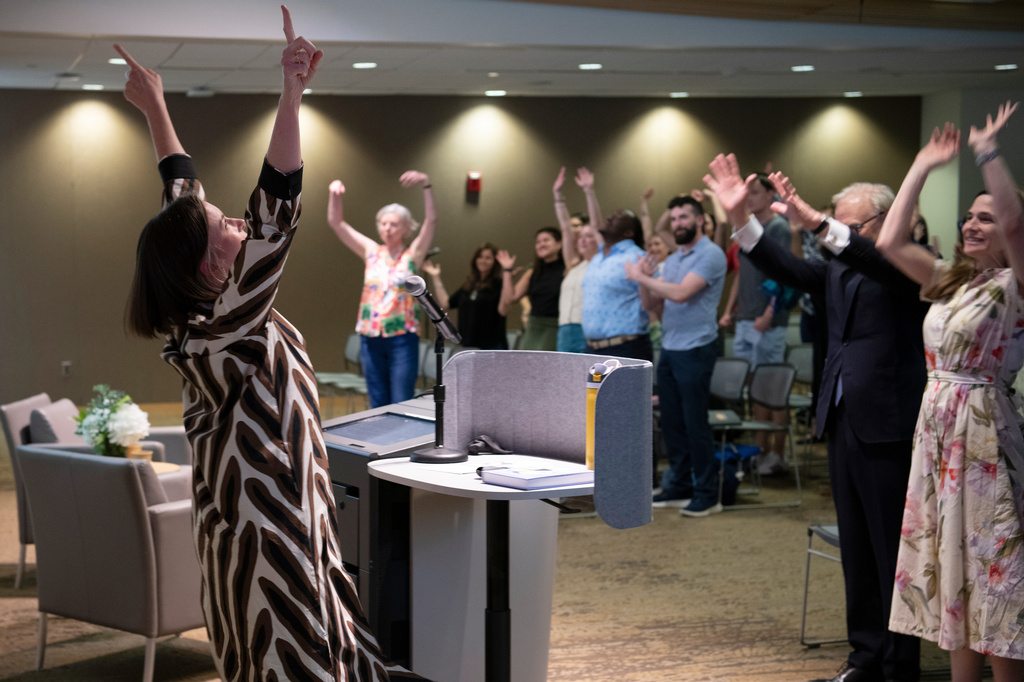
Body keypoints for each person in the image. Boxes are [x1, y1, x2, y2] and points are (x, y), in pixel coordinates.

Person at [121, 9, 421, 681]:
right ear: (209, 265)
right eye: (221, 226)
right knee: (296, 662)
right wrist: (291, 92)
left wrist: (156, 108)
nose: (232, 218)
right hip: (272, 534)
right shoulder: (230, 320)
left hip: (250, 523)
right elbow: (275, 208)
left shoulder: (196, 316)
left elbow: (183, 195)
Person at [704, 153, 926, 682]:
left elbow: (874, 262)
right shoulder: (841, 268)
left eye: (851, 226)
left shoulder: (912, 263)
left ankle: (899, 665)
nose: (837, 235)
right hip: (844, 417)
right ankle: (865, 657)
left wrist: (819, 223)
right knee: (857, 548)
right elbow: (787, 268)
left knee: (890, 551)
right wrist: (740, 218)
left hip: (888, 421)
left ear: (885, 222)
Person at [873, 107, 1024, 682]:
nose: (973, 225)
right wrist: (920, 166)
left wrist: (987, 152)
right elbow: (890, 239)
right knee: (953, 565)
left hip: (983, 433)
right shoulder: (951, 280)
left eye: (986, 217)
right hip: (937, 433)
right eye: (969, 217)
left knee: (993, 566)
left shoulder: (1015, 285)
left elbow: (1017, 224)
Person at [625, 195, 727, 517]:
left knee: (695, 424)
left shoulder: (711, 254)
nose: (678, 224)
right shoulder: (675, 259)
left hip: (696, 348)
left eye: (684, 217)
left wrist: (641, 277)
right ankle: (680, 486)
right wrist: (645, 278)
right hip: (670, 347)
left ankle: (708, 494)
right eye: (674, 219)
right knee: (672, 423)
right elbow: (650, 304)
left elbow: (681, 294)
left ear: (700, 220)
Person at [326, 171, 435, 408]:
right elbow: (337, 223)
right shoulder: (371, 251)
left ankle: (403, 434)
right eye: (384, 224)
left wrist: (426, 185)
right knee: (377, 402)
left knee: (401, 400)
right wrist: (334, 195)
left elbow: (431, 222)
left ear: (406, 228)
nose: (388, 228)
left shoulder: (412, 255)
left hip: (402, 336)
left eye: (394, 224)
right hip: (370, 335)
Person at [718, 173, 793, 475]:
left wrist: (770, 312)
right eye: (746, 192)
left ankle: (777, 454)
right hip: (746, 317)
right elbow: (741, 273)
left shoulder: (778, 228)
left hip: (767, 320)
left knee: (772, 390)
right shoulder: (748, 228)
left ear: (771, 195)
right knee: (754, 389)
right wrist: (731, 310)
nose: (748, 197)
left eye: (755, 192)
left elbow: (784, 272)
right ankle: (759, 452)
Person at [421, 243, 508, 349]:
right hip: (468, 345)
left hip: (491, 346)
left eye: (488, 258)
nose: (483, 261)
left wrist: (507, 273)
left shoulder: (499, 285)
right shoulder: (470, 285)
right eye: (480, 257)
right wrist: (435, 276)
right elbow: (446, 303)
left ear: (495, 262)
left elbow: (503, 309)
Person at [497, 226, 565, 351]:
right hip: (534, 326)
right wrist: (507, 270)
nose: (541, 244)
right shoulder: (533, 271)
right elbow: (510, 298)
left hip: (556, 327)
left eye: (546, 240)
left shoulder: (567, 269)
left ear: (559, 244)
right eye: (538, 242)